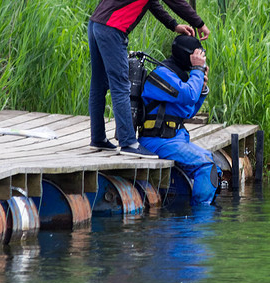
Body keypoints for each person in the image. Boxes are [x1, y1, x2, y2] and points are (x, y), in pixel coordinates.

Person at [87, 0, 210, 158]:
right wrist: (199, 23)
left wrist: (173, 25)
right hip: (112, 28)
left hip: (96, 24)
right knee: (121, 87)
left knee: (98, 85)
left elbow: (152, 3)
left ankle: (98, 138)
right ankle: (128, 143)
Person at [138, 35, 221, 205]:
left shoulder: (178, 77)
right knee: (205, 167)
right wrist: (197, 71)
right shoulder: (161, 74)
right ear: (188, 56)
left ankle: (189, 205)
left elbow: (188, 111)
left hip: (175, 138)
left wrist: (202, 89)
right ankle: (201, 217)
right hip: (157, 140)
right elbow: (188, 95)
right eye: (197, 57)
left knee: (214, 165)